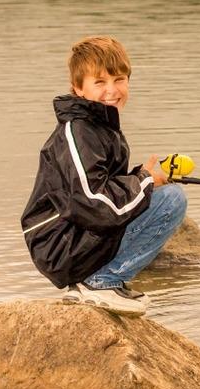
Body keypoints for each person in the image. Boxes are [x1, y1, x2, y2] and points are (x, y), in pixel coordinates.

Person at [20, 36, 187, 316]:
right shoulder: (78, 131)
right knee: (171, 201)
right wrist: (145, 180)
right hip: (61, 246)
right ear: (78, 88)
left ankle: (96, 281)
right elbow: (93, 203)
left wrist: (148, 178)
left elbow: (103, 188)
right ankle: (101, 282)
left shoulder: (100, 126)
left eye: (119, 79)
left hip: (75, 238)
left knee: (162, 193)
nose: (112, 90)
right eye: (100, 82)